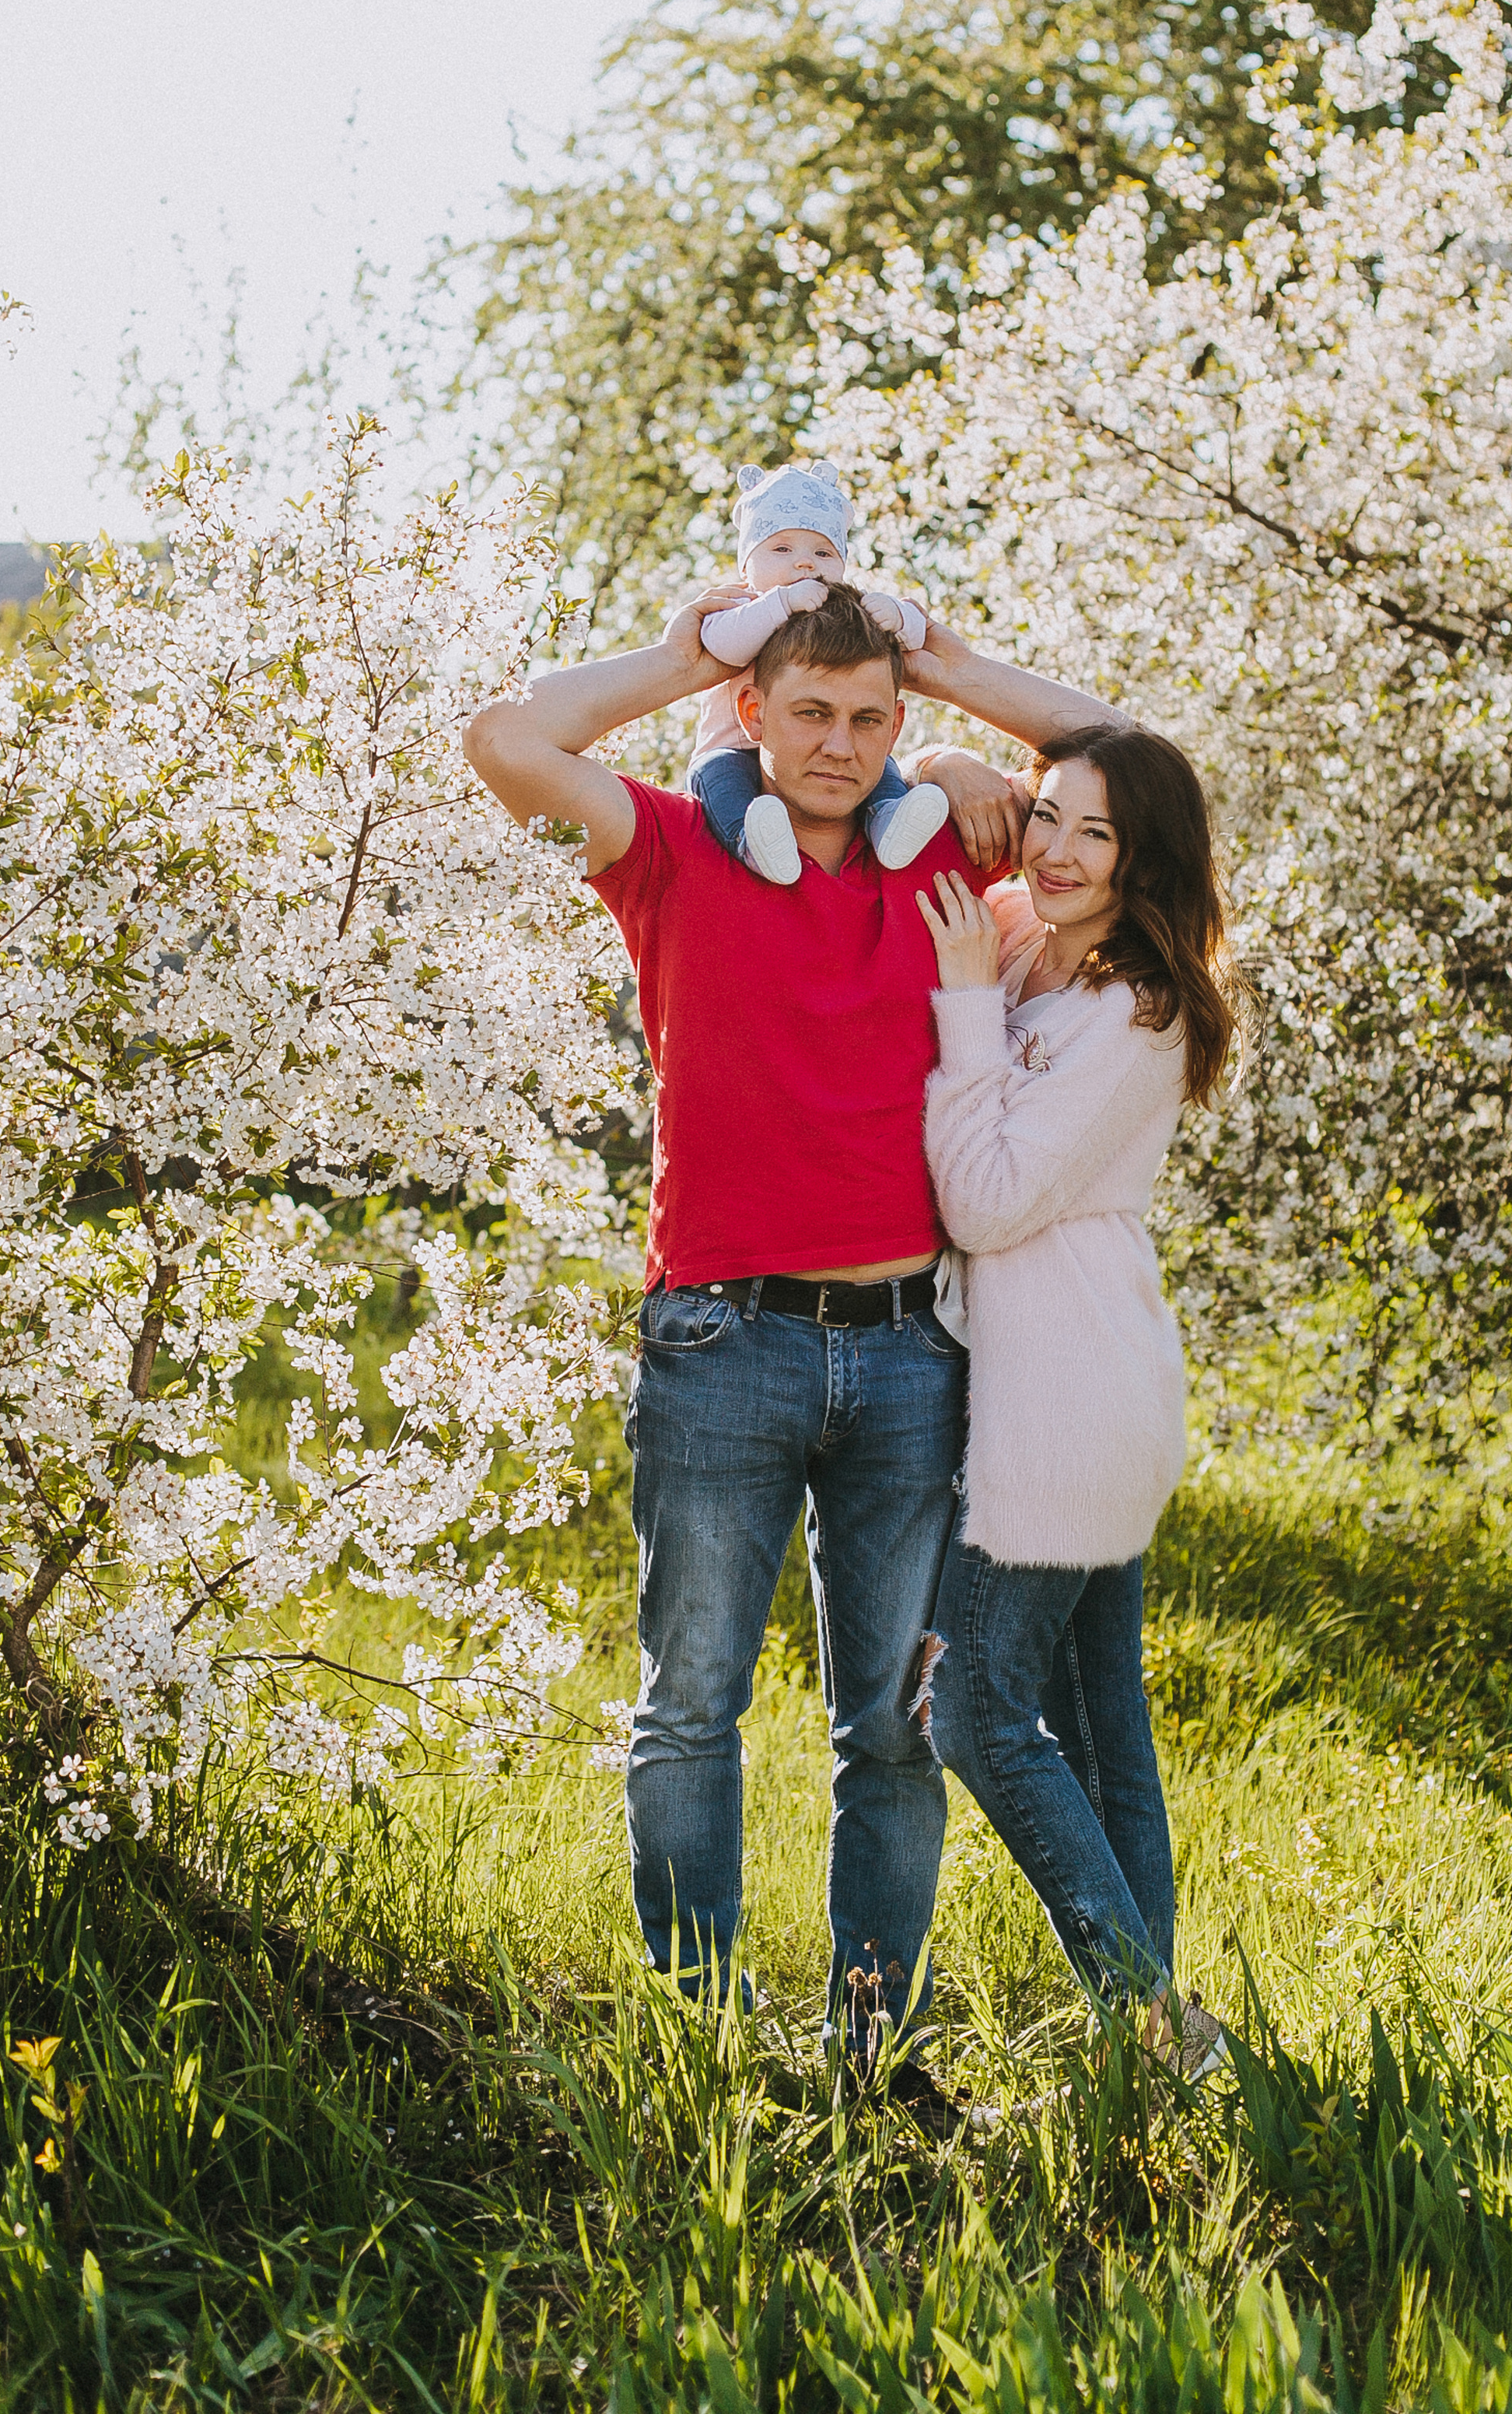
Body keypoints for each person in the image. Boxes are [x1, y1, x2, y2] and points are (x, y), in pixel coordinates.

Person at [463, 577, 1110, 2082]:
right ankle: (697, 2038)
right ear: (750, 715)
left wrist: (956, 677)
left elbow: (1118, 762)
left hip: (908, 1351)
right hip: (721, 1342)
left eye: (870, 718)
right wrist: (679, 654)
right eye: (807, 713)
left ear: (902, 726)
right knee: (693, 1704)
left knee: (891, 1729)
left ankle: (871, 2051)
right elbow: (505, 740)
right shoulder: (678, 849)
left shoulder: (950, 845)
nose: (836, 744)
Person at [913, 724, 1240, 2081]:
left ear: (1143, 862)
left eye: (1093, 834)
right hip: (1085, 1376)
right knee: (1108, 1740)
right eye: (1046, 815)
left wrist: (965, 1006)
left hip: (1064, 1397)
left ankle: (1155, 2022)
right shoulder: (1041, 938)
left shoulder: (1132, 1009)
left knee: (977, 1712)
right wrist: (938, 746)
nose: (1052, 849)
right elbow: (983, 772)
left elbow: (987, 1202)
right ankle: (1153, 2050)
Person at [690, 457, 947, 885]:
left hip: (805, 764)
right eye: (782, 549)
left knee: (882, 769)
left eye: (823, 552)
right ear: (747, 565)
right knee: (714, 777)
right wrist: (782, 604)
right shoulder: (741, 606)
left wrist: (901, 618)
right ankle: (751, 843)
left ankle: (888, 823)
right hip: (732, 751)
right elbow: (721, 643)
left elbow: (917, 635)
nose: (805, 563)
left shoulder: (843, 613)